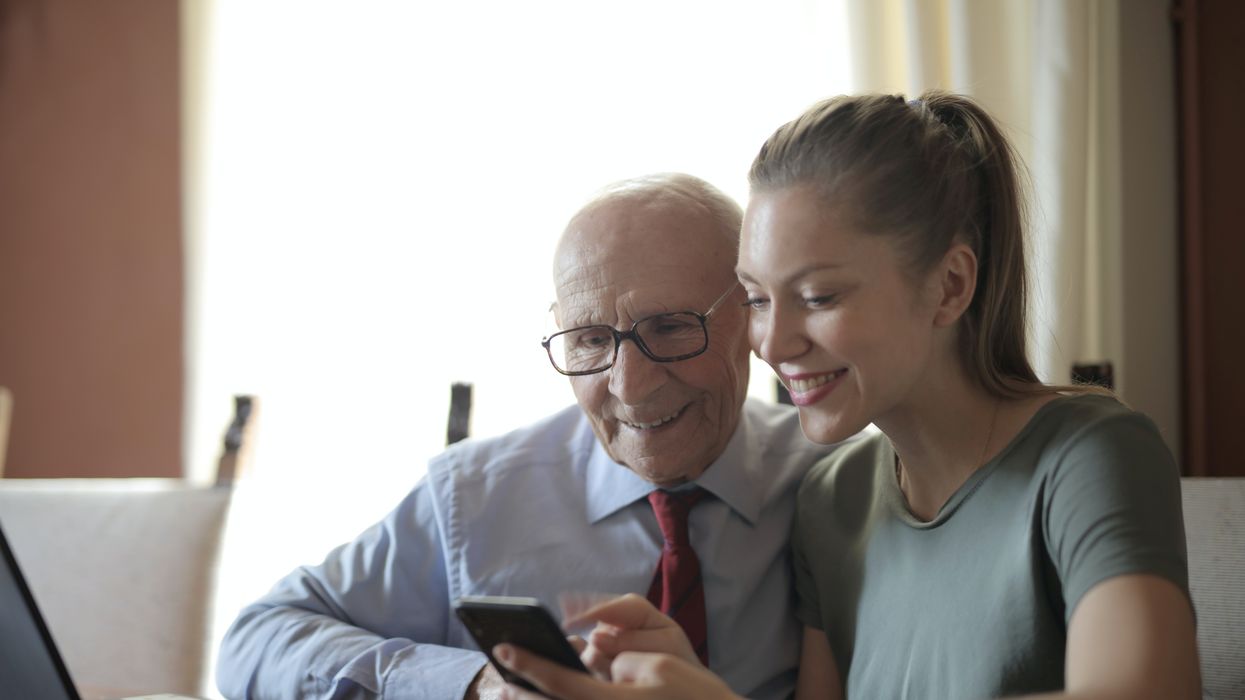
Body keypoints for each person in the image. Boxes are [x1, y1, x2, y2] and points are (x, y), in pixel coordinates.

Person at [497, 91, 1200, 699]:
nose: (771, 344)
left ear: (950, 285)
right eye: (756, 300)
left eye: (816, 296)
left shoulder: (1086, 453)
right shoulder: (833, 497)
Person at [214, 173, 836, 700]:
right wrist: (476, 684)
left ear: (753, 316)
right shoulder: (472, 498)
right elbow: (257, 638)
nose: (630, 386)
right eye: (591, 340)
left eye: (671, 328)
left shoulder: (839, 484)